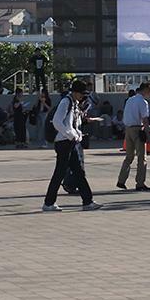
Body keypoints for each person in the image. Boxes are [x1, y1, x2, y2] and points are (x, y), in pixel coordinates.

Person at [41, 80, 101, 212]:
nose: (82, 96)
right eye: (81, 93)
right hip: (64, 142)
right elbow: (57, 122)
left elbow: (74, 123)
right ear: (74, 92)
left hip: (70, 142)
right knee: (60, 173)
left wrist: (76, 135)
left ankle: (87, 201)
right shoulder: (66, 102)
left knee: (78, 172)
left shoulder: (73, 103)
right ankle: (49, 203)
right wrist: (70, 135)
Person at [117, 83, 150, 191]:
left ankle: (121, 180)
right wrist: (148, 135)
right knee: (141, 158)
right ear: (145, 90)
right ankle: (140, 183)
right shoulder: (143, 102)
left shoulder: (130, 100)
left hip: (128, 129)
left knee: (129, 156)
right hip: (138, 129)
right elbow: (145, 119)